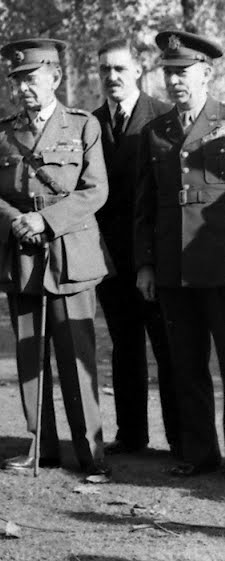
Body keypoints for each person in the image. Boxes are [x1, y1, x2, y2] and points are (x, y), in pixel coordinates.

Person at [0, 37, 109, 477]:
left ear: (55, 77)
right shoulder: (2, 132)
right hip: (23, 257)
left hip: (69, 254)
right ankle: (40, 447)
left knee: (77, 357)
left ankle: (91, 455)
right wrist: (16, 220)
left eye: (32, 79)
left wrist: (45, 222)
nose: (24, 89)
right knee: (30, 357)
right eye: (17, 81)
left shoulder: (82, 125)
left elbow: (95, 190)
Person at [134, 28, 225, 477]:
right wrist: (147, 264)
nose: (173, 81)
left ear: (206, 73)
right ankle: (200, 454)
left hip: (221, 268)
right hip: (173, 269)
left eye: (182, 71)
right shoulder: (156, 133)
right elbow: (144, 208)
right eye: (168, 72)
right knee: (185, 366)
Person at [93, 35, 177, 456]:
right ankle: (131, 435)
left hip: (157, 258)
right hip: (109, 259)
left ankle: (181, 440)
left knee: (168, 347)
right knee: (124, 347)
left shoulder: (163, 117)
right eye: (105, 69)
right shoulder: (88, 125)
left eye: (120, 68)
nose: (112, 77)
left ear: (139, 71)